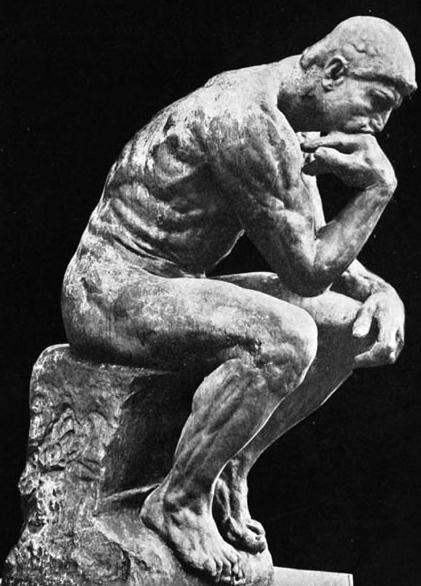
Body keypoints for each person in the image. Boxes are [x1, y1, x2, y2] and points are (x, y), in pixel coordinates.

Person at [62, 16, 416, 585]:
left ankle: (227, 466)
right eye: (377, 102)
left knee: (349, 325)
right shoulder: (246, 117)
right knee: (287, 337)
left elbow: (315, 239)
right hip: (110, 289)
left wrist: (379, 290)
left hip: (172, 281)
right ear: (333, 71)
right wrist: (379, 189)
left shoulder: (286, 118)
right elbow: (308, 270)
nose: (380, 126)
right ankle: (178, 502)